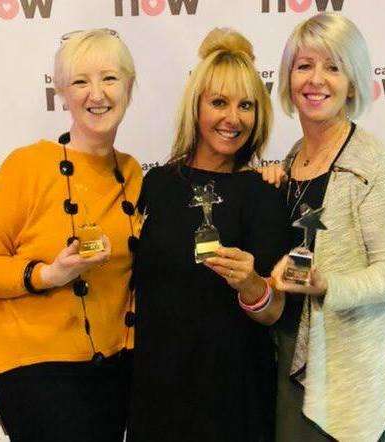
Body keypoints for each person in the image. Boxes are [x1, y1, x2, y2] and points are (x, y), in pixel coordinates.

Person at [0, 29, 141, 441]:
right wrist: (48, 275)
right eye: (80, 81)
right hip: (37, 367)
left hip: (116, 365)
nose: (97, 94)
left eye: (110, 78)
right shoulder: (26, 165)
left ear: (129, 86)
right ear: (62, 93)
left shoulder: (132, 173)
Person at [259, 13, 385, 442]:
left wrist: (325, 284)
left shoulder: (375, 165)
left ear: (353, 81)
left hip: (351, 371)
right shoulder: (293, 159)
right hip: (292, 353)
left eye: (333, 67)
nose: (317, 80)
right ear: (288, 78)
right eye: (304, 65)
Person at [127, 28, 290, 442]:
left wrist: (252, 285)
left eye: (246, 105)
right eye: (218, 102)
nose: (232, 118)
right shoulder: (157, 184)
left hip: (235, 396)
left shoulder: (263, 192)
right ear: (196, 106)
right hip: (159, 390)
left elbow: (277, 312)